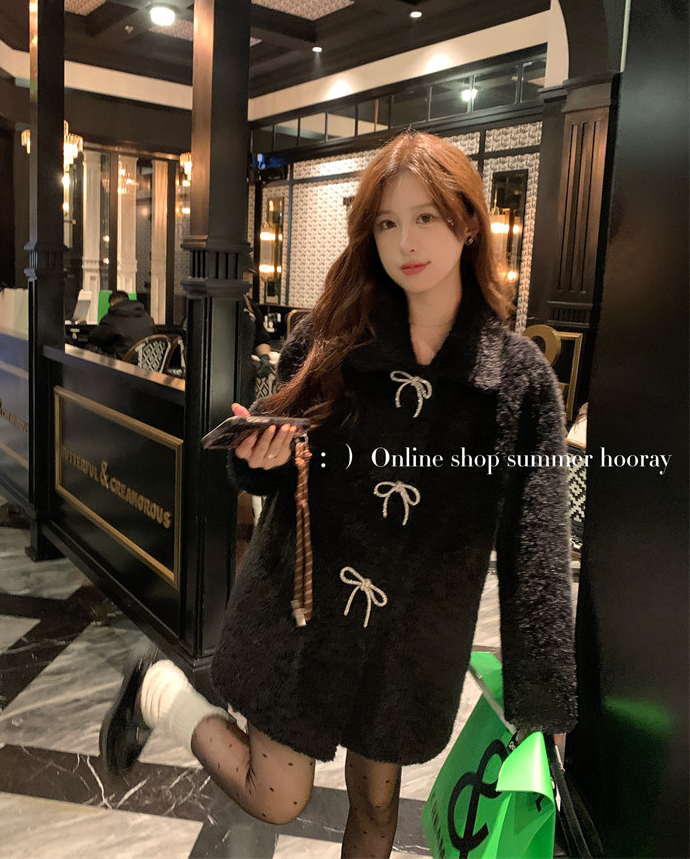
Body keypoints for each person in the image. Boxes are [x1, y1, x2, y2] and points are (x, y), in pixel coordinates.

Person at [100, 131, 577, 858]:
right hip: (304, 612)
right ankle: (158, 690)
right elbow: (271, 465)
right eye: (387, 222)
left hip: (414, 637)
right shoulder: (329, 340)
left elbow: (534, 551)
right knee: (277, 795)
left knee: (377, 805)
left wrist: (542, 704)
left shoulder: (517, 381)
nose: (405, 242)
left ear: (469, 223)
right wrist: (260, 460)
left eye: (426, 217)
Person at [239, 267, 273, 407]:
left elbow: (261, 337)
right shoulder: (221, 302)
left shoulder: (250, 304)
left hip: (247, 375)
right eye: (245, 275)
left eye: (250, 276)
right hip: (224, 372)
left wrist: (264, 357)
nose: (248, 280)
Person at [88, 290, 155, 359]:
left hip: (123, 362)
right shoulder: (147, 318)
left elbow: (94, 338)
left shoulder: (111, 319)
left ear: (112, 304)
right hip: (146, 361)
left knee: (91, 348)